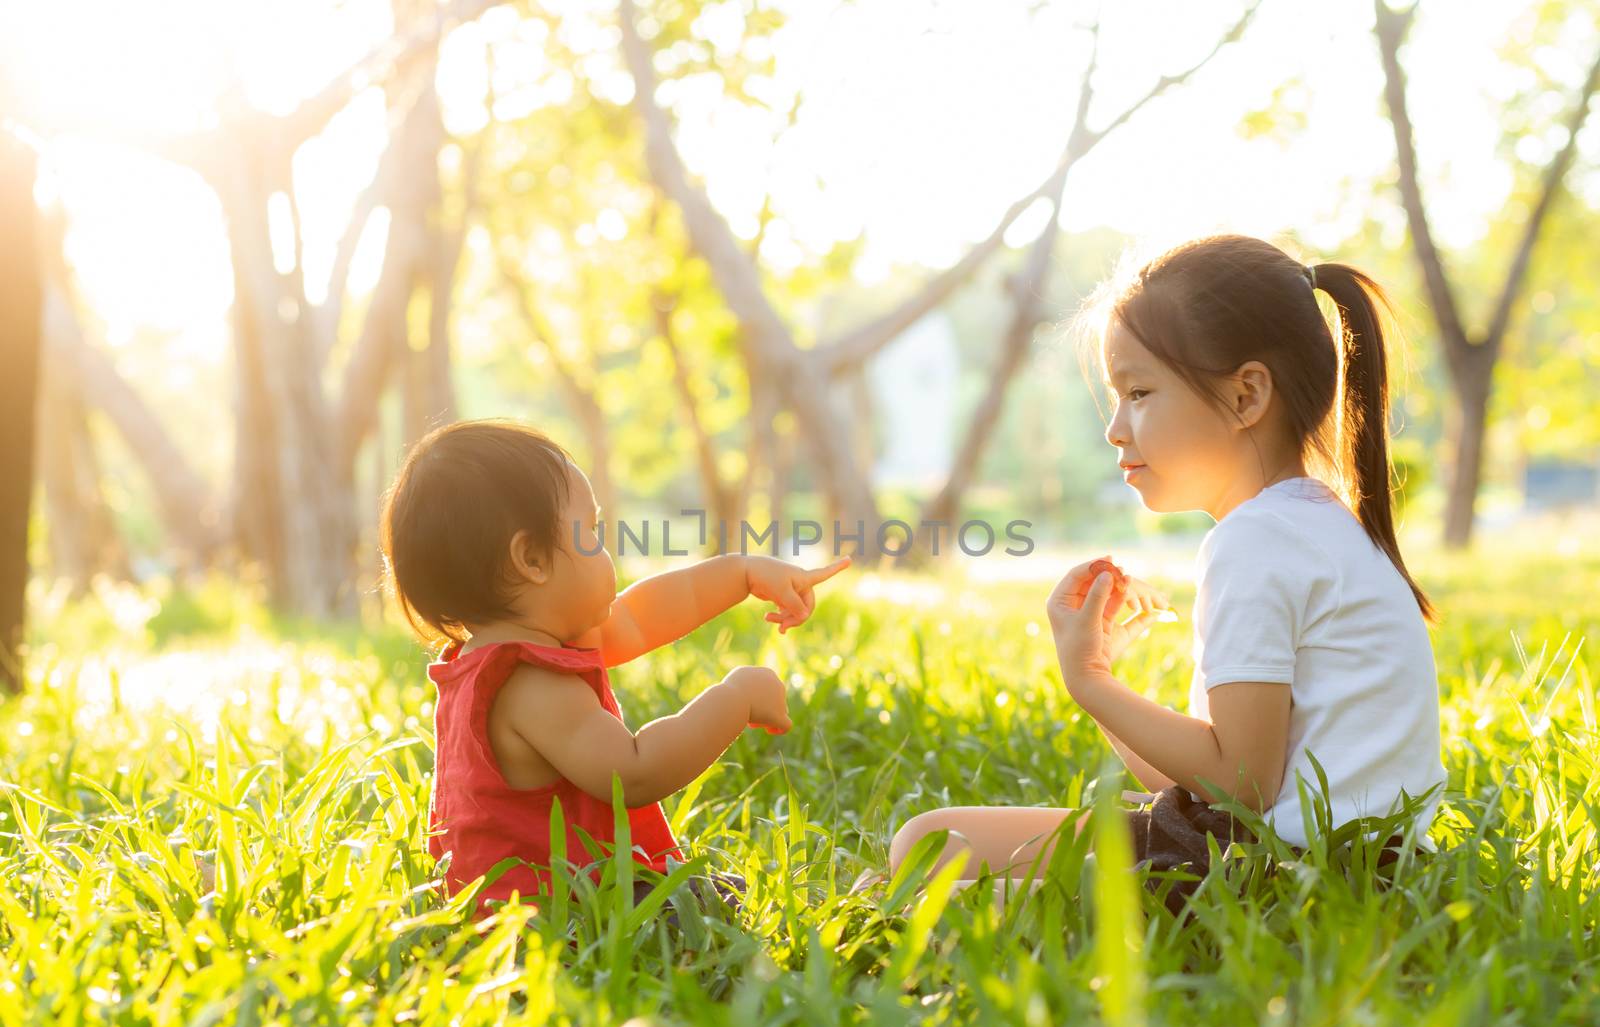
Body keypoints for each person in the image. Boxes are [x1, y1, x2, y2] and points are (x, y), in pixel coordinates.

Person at [889, 235, 1446, 898]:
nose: (1114, 427)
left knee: (947, 885)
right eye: (1116, 395)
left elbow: (1241, 787)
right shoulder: (1316, 526)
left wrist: (1088, 682)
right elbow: (1210, 788)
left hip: (1273, 879)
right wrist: (1102, 680)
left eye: (1141, 391)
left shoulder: (1258, 541)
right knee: (926, 844)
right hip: (1330, 864)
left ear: (1247, 396)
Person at [380, 420, 850, 908]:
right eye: (592, 534)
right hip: (555, 916)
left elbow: (646, 616)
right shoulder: (528, 684)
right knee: (713, 907)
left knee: (719, 894)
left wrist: (744, 574)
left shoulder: (512, 649)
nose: (607, 552)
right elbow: (634, 773)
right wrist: (737, 698)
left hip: (578, 894)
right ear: (532, 559)